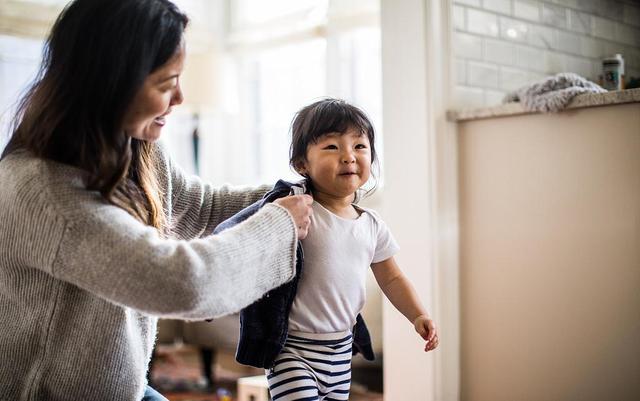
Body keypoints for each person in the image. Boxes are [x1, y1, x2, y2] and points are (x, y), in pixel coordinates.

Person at [0, 1, 312, 400]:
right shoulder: (41, 192)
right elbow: (181, 283)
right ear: (112, 83)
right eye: (166, 83)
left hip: (125, 389)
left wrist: (295, 192)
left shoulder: (136, 149)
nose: (180, 97)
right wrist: (279, 225)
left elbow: (198, 207)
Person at [215, 98, 439, 401]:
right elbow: (241, 233)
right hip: (292, 350)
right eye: (332, 147)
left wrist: (417, 315)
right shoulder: (294, 208)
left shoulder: (371, 224)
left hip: (340, 352)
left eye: (359, 146)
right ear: (301, 164)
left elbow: (393, 279)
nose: (348, 156)